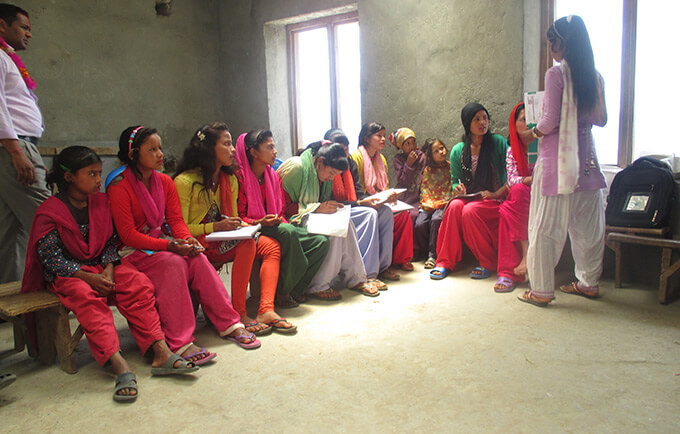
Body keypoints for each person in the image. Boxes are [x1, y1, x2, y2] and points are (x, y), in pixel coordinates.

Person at [22, 146, 198, 403]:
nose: (97, 180)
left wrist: (107, 268)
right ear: (69, 177)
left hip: (101, 266)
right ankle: (118, 365)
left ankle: (160, 350)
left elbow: (110, 243)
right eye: (91, 174)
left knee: (137, 284)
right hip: (71, 274)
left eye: (98, 173)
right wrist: (89, 277)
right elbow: (51, 259)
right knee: (87, 298)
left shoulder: (101, 203)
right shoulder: (50, 211)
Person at [107, 126, 260, 354]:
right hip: (132, 252)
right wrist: (170, 245)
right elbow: (128, 235)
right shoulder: (119, 186)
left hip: (161, 244)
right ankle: (181, 340)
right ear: (133, 154)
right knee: (174, 262)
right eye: (152, 149)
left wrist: (188, 241)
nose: (160, 154)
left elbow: (176, 221)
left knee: (197, 258)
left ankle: (229, 323)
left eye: (160, 148)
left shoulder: (165, 182)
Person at [517, 15, 607, 307]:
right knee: (588, 230)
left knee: (544, 228)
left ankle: (541, 290)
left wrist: (531, 134)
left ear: (562, 43)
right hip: (587, 164)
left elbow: (550, 120)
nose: (551, 47)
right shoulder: (594, 77)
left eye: (552, 41)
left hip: (557, 165)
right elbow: (601, 119)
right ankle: (589, 283)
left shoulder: (556, 75)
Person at [174, 123, 295, 335]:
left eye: (232, 144)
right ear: (209, 148)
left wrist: (250, 224)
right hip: (196, 243)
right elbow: (180, 228)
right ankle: (239, 312)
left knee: (270, 246)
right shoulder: (185, 182)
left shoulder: (228, 178)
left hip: (220, 239)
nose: (232, 150)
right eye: (227, 144)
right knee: (248, 243)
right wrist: (216, 226)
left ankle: (266, 308)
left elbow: (232, 219)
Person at [235, 129, 329, 305]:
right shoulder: (240, 178)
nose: (275, 151)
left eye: (274, 146)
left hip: (277, 225)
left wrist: (280, 221)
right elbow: (237, 217)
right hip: (252, 229)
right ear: (254, 152)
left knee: (320, 242)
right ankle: (283, 293)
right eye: (269, 147)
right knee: (287, 232)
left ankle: (295, 288)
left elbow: (281, 210)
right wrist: (259, 222)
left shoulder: (272, 176)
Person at [278, 143, 377, 299]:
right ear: (319, 162)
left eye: (335, 175)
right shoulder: (296, 169)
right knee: (334, 231)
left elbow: (321, 201)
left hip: (309, 214)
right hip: (291, 219)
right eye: (331, 173)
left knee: (346, 223)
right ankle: (318, 285)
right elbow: (281, 207)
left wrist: (328, 207)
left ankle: (357, 278)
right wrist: (316, 208)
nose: (331, 178)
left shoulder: (324, 174)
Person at [0, 4, 50, 283]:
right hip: (15, 148)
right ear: (1, 26)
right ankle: (67, 290)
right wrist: (16, 151)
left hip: (13, 148)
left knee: (10, 230)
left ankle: (12, 298)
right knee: (51, 220)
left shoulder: (9, 59)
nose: (29, 34)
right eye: (24, 27)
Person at [429, 103, 508, 280]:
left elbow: (511, 176)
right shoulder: (459, 150)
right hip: (470, 197)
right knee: (455, 206)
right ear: (467, 123)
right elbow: (455, 181)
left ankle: (487, 262)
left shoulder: (498, 143)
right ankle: (444, 262)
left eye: (485, 118)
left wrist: (496, 194)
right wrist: (457, 188)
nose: (483, 123)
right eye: (477, 119)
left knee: (469, 211)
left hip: (494, 198)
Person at [320, 129, 393, 288]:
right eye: (341, 150)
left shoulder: (350, 164)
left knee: (385, 211)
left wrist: (375, 200)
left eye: (347, 149)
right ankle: (368, 273)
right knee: (369, 214)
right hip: (336, 209)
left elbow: (358, 194)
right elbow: (329, 201)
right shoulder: (325, 166)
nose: (345, 154)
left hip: (351, 206)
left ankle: (383, 267)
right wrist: (361, 204)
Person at [352, 122, 415, 274]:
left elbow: (382, 187)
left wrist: (389, 196)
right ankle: (378, 267)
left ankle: (398, 260)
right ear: (367, 138)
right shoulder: (356, 158)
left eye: (383, 136)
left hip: (380, 201)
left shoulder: (382, 160)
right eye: (378, 136)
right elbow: (357, 191)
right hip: (363, 203)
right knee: (382, 215)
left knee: (404, 216)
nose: (383, 139)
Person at [494, 103, 534, 293]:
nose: (528, 124)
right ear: (514, 124)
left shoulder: (545, 146)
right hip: (522, 195)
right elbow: (512, 179)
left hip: (543, 194)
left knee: (508, 209)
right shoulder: (512, 150)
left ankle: (509, 272)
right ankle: (523, 259)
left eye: (531, 118)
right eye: (523, 119)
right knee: (515, 196)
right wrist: (531, 179)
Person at [414, 138, 452, 269]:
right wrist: (429, 202)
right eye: (436, 151)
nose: (441, 152)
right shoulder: (428, 170)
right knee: (420, 224)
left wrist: (444, 201)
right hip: (429, 202)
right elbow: (425, 189)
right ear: (430, 156)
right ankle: (421, 252)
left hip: (444, 202)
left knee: (436, 220)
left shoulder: (450, 167)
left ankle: (433, 255)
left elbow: (450, 187)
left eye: (441, 148)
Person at [390, 127, 425, 221]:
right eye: (407, 143)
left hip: (419, 198)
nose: (412, 146)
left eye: (413, 142)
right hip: (404, 198)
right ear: (401, 146)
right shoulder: (398, 159)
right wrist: (408, 165)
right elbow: (403, 182)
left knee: (416, 217)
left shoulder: (421, 157)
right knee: (404, 216)